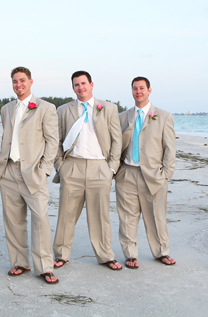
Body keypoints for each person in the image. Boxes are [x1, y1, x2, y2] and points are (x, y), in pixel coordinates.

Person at [0, 67, 59, 284]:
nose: (18, 85)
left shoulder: (45, 108)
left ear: (30, 82)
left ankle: (44, 267)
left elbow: (52, 141)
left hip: (33, 172)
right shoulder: (6, 109)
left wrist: (45, 169)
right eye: (14, 81)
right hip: (8, 171)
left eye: (22, 80)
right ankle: (20, 262)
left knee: (40, 219)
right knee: (14, 221)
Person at [52, 71, 123, 271]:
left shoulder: (108, 108)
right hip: (72, 166)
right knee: (66, 214)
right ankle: (61, 254)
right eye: (76, 85)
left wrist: (111, 168)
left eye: (83, 83)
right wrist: (60, 166)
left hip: (100, 168)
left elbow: (117, 140)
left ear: (91, 84)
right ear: (73, 87)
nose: (80, 87)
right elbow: (56, 140)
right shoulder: (64, 110)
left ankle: (105, 255)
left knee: (100, 216)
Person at [115, 76, 176, 269]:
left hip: (153, 175)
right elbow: (116, 145)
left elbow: (170, 148)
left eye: (142, 88)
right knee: (127, 217)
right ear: (131, 91)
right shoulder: (123, 117)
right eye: (135, 88)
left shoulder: (164, 116)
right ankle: (130, 254)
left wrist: (166, 173)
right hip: (127, 173)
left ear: (149, 90)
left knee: (156, 217)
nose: (138, 91)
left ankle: (161, 252)